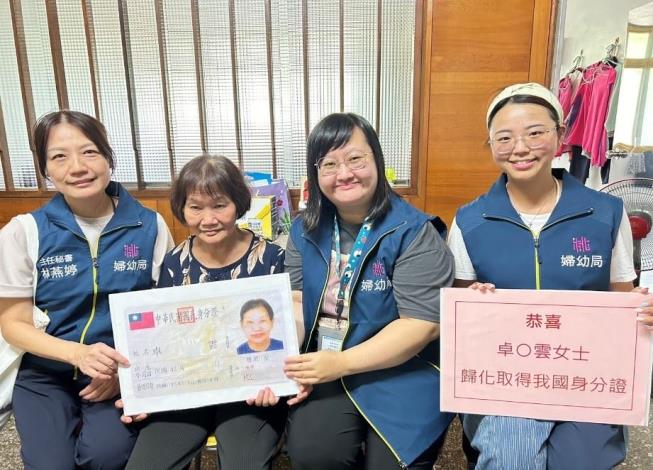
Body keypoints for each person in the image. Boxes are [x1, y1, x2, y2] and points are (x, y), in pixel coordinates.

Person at [447, 82, 653, 469]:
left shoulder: (605, 213)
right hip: (508, 374)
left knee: (581, 461)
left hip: (586, 372)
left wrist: (642, 316)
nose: (520, 148)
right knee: (512, 458)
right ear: (490, 145)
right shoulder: (470, 220)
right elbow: (463, 309)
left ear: (560, 135)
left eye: (535, 133)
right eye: (504, 138)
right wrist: (475, 298)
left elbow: (622, 300)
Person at [0, 110, 174, 469]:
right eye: (59, 157)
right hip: (45, 373)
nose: (77, 166)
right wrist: (77, 355)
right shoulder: (23, 232)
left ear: (109, 158)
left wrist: (127, 374)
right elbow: (13, 324)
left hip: (119, 369)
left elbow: (164, 314)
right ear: (45, 170)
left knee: (107, 457)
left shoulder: (150, 225)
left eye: (89, 152)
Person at [283, 113, 455, 469]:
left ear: (376, 159)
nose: (343, 173)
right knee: (315, 454)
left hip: (406, 367)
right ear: (315, 174)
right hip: (328, 364)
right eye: (329, 163)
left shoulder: (414, 232)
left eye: (355, 159)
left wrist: (341, 363)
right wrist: (281, 358)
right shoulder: (304, 231)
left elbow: (421, 325)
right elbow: (298, 302)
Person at [124, 154, 309, 470]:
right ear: (182, 209)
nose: (207, 219)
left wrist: (279, 378)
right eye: (195, 207)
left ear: (238, 204)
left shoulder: (273, 260)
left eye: (219, 205)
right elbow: (162, 341)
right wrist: (142, 393)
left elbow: (288, 332)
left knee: (244, 464)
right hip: (187, 393)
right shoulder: (173, 263)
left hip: (253, 394)